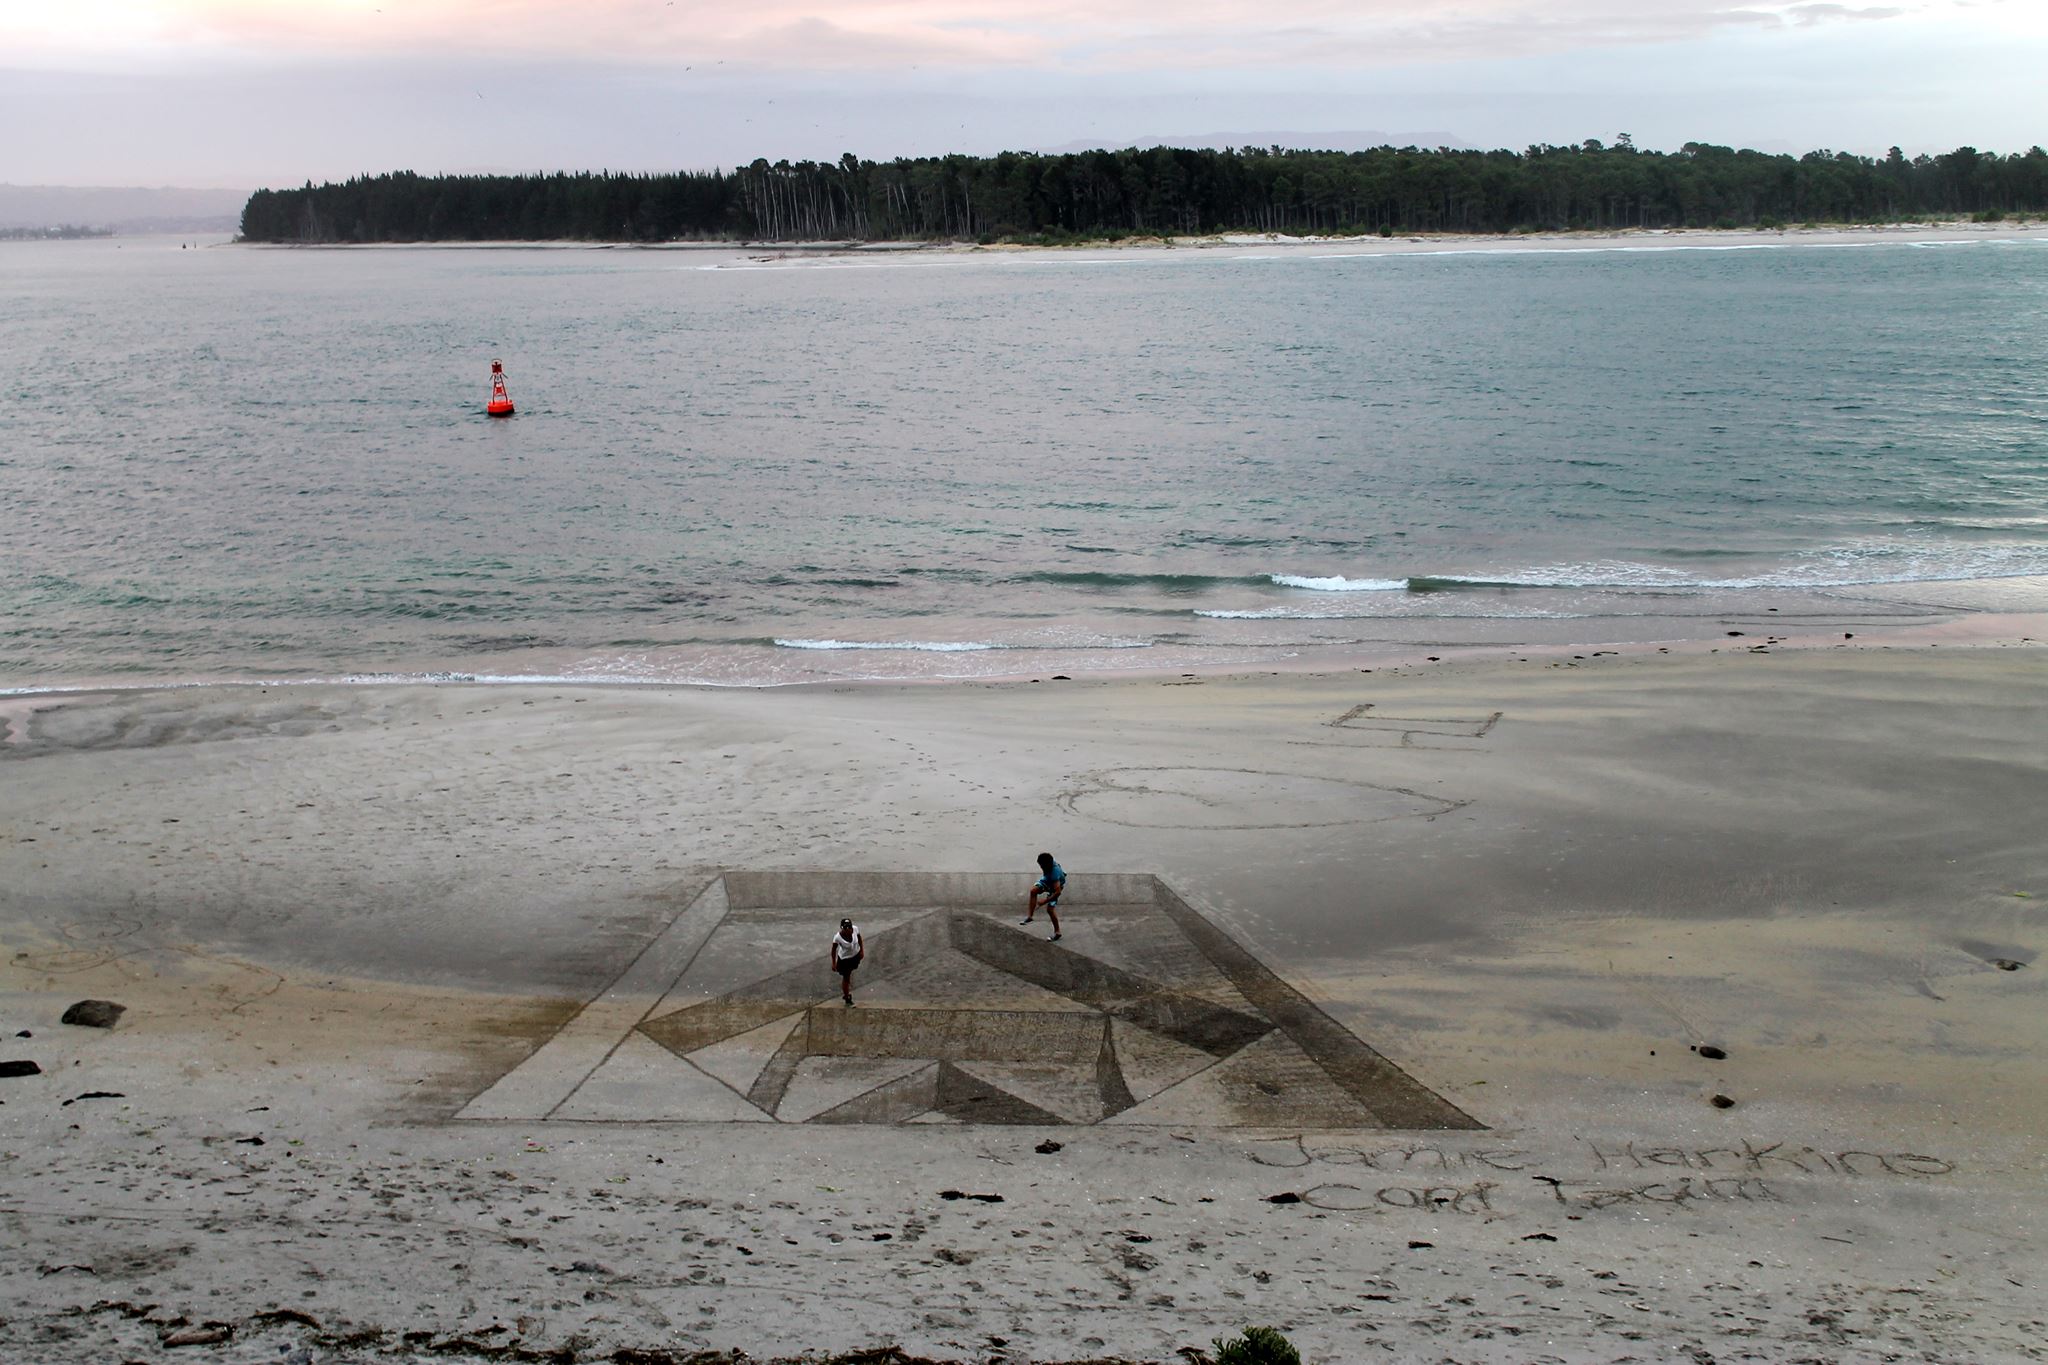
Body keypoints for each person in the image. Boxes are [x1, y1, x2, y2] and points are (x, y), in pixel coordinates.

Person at [1022, 852, 1064, 940]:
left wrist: (1044, 901)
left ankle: (1057, 932)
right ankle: (1030, 916)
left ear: (1047, 865)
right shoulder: (1049, 862)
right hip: (1047, 880)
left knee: (1050, 910)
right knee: (1033, 891)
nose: (1041, 867)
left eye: (1042, 866)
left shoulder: (1054, 873)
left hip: (1054, 888)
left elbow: (1058, 892)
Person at [830, 918, 864, 1005]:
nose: (848, 929)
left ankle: (847, 987)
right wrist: (834, 963)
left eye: (849, 927)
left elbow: (859, 939)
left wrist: (861, 951)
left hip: (855, 956)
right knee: (846, 977)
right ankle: (847, 996)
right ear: (842, 928)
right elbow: (833, 950)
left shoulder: (855, 929)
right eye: (845, 928)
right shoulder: (837, 937)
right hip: (845, 959)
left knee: (850, 972)